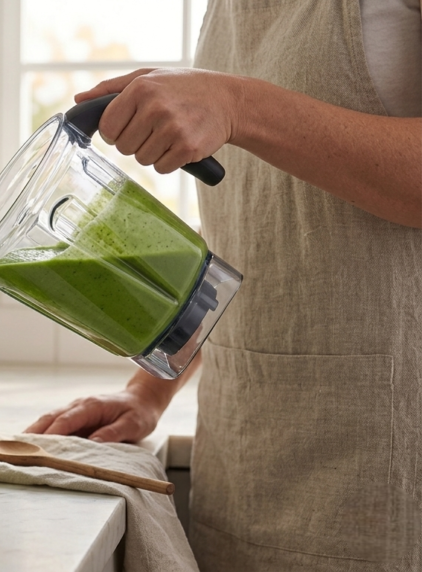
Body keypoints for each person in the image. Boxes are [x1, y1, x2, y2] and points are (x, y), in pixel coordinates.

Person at [26, 1, 421, 570]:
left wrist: (237, 103)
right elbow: (262, 228)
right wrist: (147, 392)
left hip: (387, 471)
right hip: (243, 466)